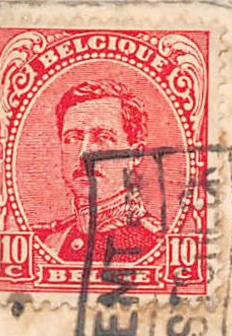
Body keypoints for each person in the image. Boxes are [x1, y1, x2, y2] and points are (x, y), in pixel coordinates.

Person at [35, 80, 163, 265]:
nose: (84, 153)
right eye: (73, 138)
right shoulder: (48, 242)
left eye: (103, 137)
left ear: (136, 154)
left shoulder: (158, 245)